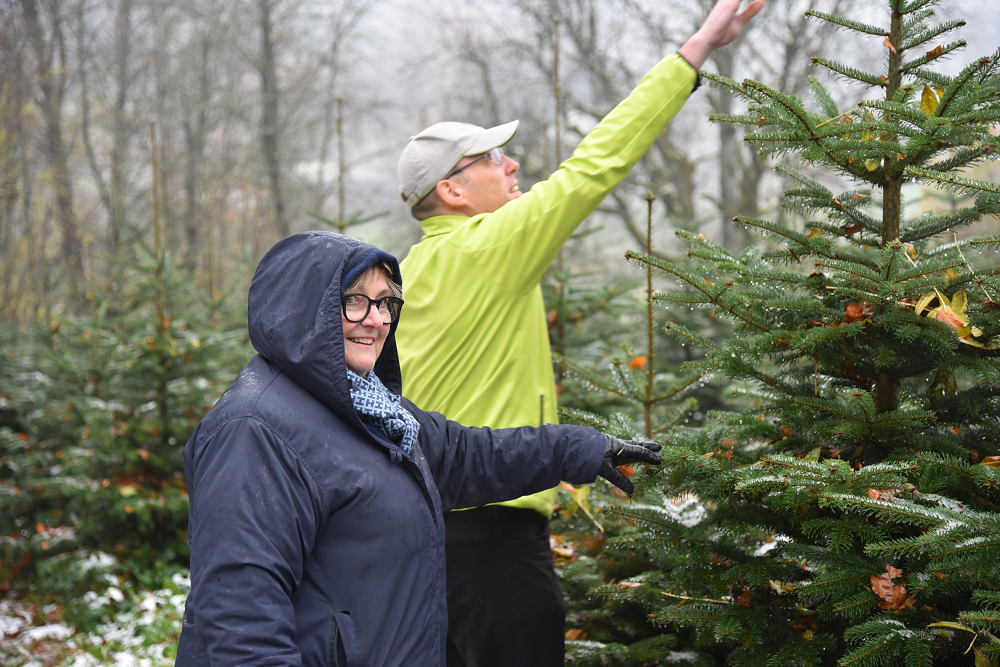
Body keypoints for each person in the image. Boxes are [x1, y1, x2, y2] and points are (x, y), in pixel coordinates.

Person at [393, 1, 764, 665]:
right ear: (452, 191)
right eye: (493, 157)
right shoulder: (488, 246)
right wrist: (697, 51)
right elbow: (596, 164)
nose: (513, 165)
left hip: (422, 538)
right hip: (496, 537)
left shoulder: (406, 272)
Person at [173, 231, 660, 667]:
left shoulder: (373, 411)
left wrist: (580, 449)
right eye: (354, 301)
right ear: (303, 309)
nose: (376, 320)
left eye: (386, 302)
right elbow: (240, 614)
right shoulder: (253, 429)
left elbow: (467, 456)